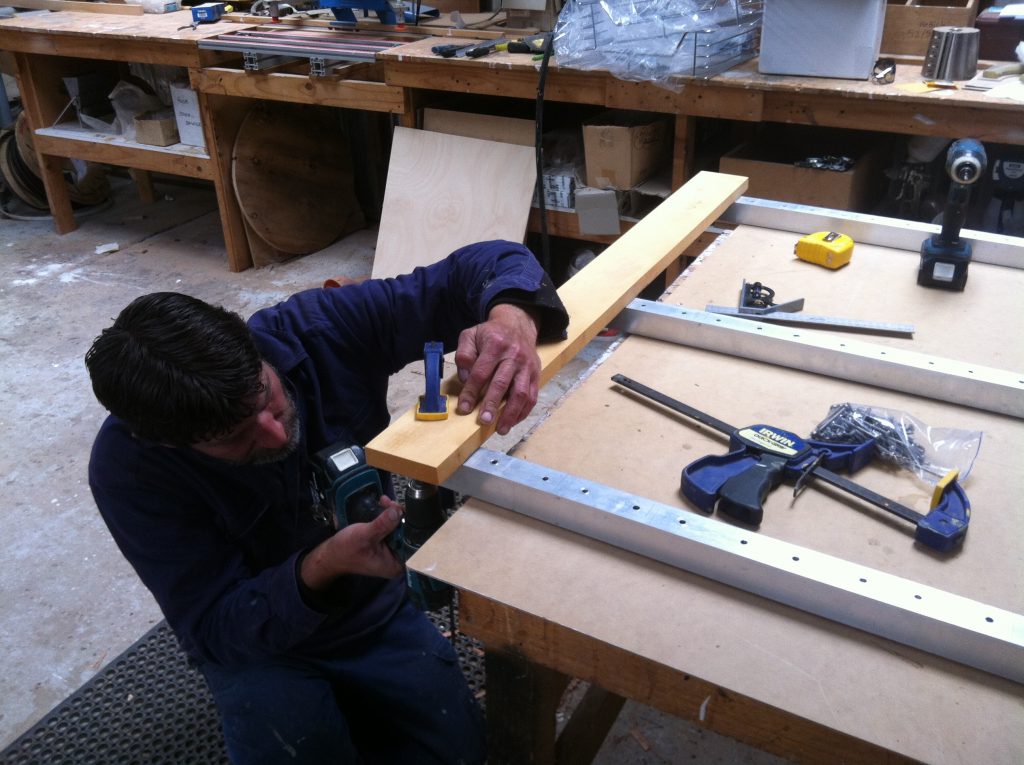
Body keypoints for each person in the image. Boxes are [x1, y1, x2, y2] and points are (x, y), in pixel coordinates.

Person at [85, 240, 569, 765]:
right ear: (171, 443)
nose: (272, 436)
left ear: (255, 351)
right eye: (235, 438)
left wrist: (513, 319)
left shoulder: (321, 332)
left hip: (371, 608)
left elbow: (487, 264)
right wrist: (322, 566)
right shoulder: (129, 471)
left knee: (461, 752)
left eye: (266, 400)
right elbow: (212, 629)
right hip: (264, 649)